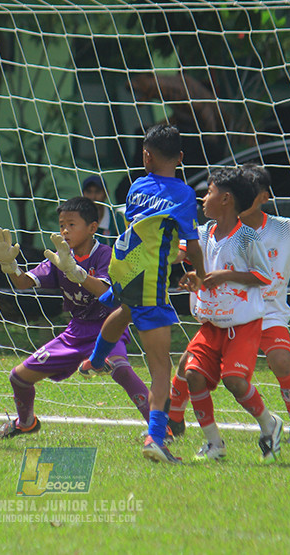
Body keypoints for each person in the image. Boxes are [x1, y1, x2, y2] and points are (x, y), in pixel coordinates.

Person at [167, 165, 290, 445]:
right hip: (226, 313)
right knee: (187, 366)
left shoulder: (282, 229)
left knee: (279, 361)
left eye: (248, 191)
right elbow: (186, 252)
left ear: (262, 196)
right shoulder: (215, 230)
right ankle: (175, 420)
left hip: (269, 314)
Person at [77, 124, 206, 464]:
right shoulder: (184, 194)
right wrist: (202, 275)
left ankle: (96, 358)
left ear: (146, 156)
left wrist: (168, 251)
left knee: (123, 311)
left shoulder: (136, 187)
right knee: (161, 367)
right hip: (151, 282)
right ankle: (156, 436)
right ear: (180, 157)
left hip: (126, 267)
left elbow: (148, 232)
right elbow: (191, 245)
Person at [0, 197, 153, 438]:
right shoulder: (60, 257)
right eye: (61, 224)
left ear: (92, 228)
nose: (64, 230)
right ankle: (26, 423)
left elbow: (108, 293)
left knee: (121, 369)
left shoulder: (107, 255)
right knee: (19, 377)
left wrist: (76, 273)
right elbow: (23, 283)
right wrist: (10, 266)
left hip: (108, 327)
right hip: (75, 332)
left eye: (71, 224)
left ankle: (160, 428)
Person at [172, 167, 283, 462]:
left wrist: (224, 276)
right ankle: (214, 444)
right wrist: (192, 276)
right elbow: (183, 256)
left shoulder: (247, 237)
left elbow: (262, 276)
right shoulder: (202, 232)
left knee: (235, 381)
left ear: (226, 199)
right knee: (192, 375)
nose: (203, 197)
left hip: (242, 324)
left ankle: (269, 425)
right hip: (211, 323)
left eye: (209, 192)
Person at [81, 175, 124, 241]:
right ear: (83, 194)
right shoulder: (78, 218)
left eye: (97, 192)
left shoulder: (116, 218)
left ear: (106, 194)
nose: (93, 197)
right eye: (89, 192)